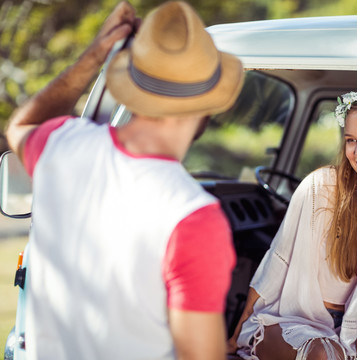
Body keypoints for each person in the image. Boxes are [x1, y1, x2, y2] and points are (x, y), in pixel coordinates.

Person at [6, 1, 244, 359]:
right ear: (207, 105)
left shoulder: (61, 143)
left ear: (133, 85)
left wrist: (92, 56)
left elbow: (19, 126)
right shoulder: (192, 217)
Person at [227, 82, 357, 359]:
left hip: (351, 332)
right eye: (351, 140)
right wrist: (234, 337)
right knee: (322, 355)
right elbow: (275, 264)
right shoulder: (321, 186)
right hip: (293, 319)